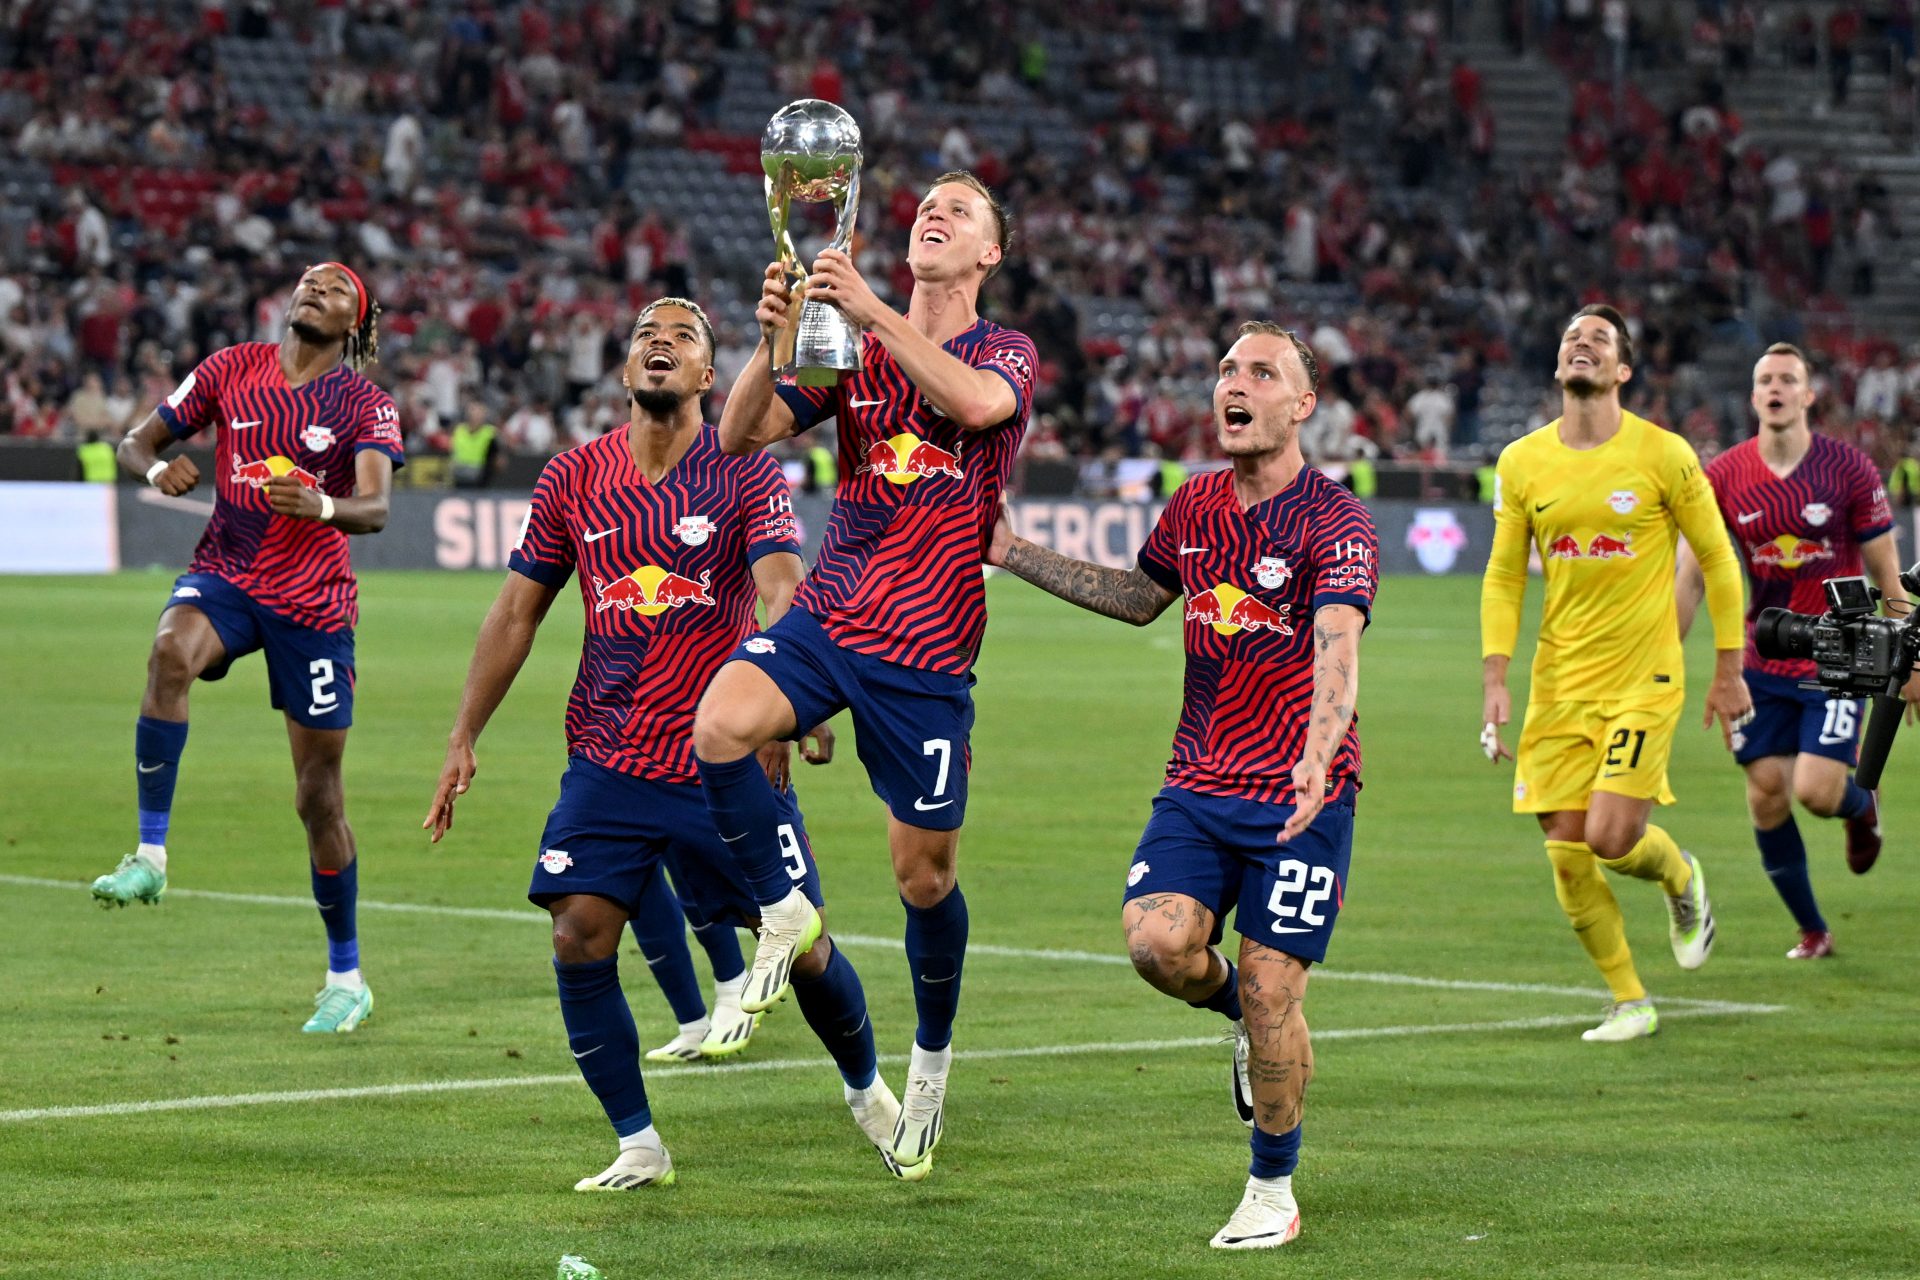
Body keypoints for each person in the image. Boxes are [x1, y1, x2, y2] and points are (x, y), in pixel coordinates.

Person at [423, 299, 919, 1191]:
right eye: (646, 335)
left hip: (720, 763)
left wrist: (792, 705)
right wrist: (464, 734)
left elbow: (781, 588)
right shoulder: (573, 477)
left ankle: (867, 1089)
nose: (661, 342)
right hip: (606, 760)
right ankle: (639, 1144)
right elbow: (515, 611)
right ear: (623, 372)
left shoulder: (745, 473)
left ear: (707, 379)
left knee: (802, 947)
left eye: (684, 337)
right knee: (578, 934)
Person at [989, 322, 1374, 1250]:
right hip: (1199, 785)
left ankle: (1272, 1190)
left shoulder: (1335, 517)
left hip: (1297, 796)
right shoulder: (1195, 505)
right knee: (1157, 946)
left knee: (1275, 987)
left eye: (1260, 372)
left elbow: (1339, 646)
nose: (1232, 384)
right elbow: (1137, 597)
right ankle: (1238, 1017)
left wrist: (1318, 757)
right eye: (1226, 368)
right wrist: (1013, 552)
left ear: (1302, 405)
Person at [690, 171, 1039, 1175]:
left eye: (961, 209)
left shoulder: (1003, 349)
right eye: (927, 201)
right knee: (720, 724)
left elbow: (973, 402)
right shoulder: (849, 343)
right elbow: (739, 433)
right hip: (835, 608)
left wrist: (869, 307)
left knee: (921, 875)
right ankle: (784, 906)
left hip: (929, 647)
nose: (936, 211)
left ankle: (929, 1062)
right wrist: (773, 338)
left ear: (988, 254)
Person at [92, 263, 404, 1035]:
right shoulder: (231, 368)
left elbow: (376, 509)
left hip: (314, 603)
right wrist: (160, 463)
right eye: (307, 282)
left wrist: (323, 502)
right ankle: (151, 857)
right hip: (228, 573)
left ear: (354, 327)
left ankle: (346, 977)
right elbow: (136, 440)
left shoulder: (365, 403)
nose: (312, 291)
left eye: (334, 290)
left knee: (317, 798)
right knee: (170, 651)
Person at [1480, 304, 1750, 1043]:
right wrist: (1496, 677)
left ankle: (1679, 875)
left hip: (1643, 677)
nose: (1582, 345)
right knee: (1567, 853)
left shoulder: (1665, 456)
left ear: (1623, 370)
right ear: (1558, 364)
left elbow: (1720, 561)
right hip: (1560, 685)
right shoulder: (1522, 461)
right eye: (1571, 337)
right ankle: (1631, 999)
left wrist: (1729, 669)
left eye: (1598, 339)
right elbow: (1504, 577)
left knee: (1609, 835)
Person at [1677, 343, 1913, 959]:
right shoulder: (1723, 476)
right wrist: (1664, 652)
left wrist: (1911, 659)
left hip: (1840, 653)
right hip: (1761, 661)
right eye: (1765, 380)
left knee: (1813, 789)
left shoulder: (1850, 469)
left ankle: (1862, 807)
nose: (1776, 388)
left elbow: (1889, 578)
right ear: (1754, 398)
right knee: (1764, 792)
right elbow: (1691, 576)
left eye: (1789, 378)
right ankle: (1813, 930)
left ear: (1808, 395)